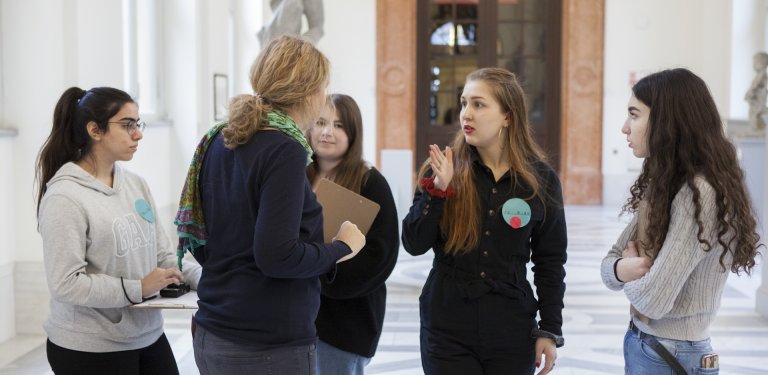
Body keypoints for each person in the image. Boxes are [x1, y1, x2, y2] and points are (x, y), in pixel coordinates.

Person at [178, 35, 366, 375]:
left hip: (213, 329)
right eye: (323, 87)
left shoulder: (219, 138)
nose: (324, 97)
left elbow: (203, 244)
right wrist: (341, 248)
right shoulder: (284, 148)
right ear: (308, 92)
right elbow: (277, 256)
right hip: (266, 344)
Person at [402, 67, 567, 375]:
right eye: (464, 103)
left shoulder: (540, 180)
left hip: (511, 326)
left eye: (478, 104)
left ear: (508, 115)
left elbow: (550, 260)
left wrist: (549, 329)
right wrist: (437, 192)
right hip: (447, 325)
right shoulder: (442, 169)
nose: (466, 114)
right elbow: (413, 243)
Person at [601, 68, 762, 374]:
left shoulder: (697, 192)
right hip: (650, 344)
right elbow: (609, 264)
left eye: (634, 115)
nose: (625, 127)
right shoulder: (666, 184)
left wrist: (625, 273)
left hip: (671, 351)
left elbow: (654, 301)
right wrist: (622, 268)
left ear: (666, 122)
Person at [35, 86, 202, 375]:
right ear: (95, 130)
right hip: (89, 347)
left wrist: (212, 281)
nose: (137, 134)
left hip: (147, 336)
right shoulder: (65, 197)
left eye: (138, 124)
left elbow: (162, 256)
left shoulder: (136, 184)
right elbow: (66, 284)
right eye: (127, 125)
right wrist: (138, 288)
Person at [305, 94, 400, 374]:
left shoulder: (370, 182)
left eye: (338, 125)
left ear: (353, 133)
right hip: (298, 314)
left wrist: (322, 278)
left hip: (346, 320)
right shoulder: (298, 175)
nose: (326, 131)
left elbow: (381, 255)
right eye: (320, 122)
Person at [744, 51, 768, 133]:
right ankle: (755, 129)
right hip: (755, 99)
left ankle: (756, 130)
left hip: (758, 99)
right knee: (753, 114)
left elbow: (755, 86)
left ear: (762, 63)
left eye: (755, 62)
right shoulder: (759, 75)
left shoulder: (762, 74)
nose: (753, 65)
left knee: (755, 114)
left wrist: (750, 92)